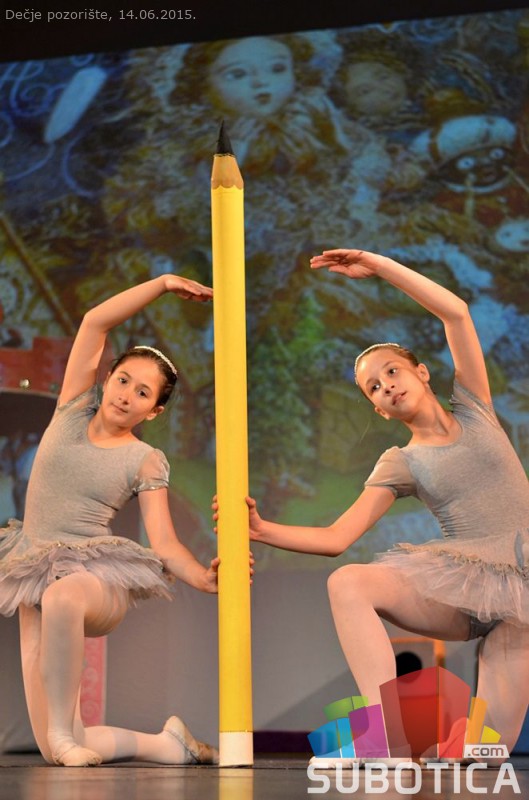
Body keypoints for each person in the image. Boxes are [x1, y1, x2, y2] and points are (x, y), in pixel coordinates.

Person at [235, 248, 529, 763]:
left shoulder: (475, 409)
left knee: (486, 751)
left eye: (392, 371)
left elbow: (456, 312)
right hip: (464, 590)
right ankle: (386, 733)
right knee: (349, 582)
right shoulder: (401, 461)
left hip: (521, 598)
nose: (386, 385)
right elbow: (336, 539)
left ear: (422, 372)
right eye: (374, 386)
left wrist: (379, 266)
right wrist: (262, 529)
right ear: (378, 409)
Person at [0, 273, 223, 768]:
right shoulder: (71, 410)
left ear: (155, 410)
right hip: (33, 570)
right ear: (106, 379)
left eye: (143, 392)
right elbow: (95, 321)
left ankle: (64, 736)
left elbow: (164, 542)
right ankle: (167, 745)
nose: (126, 395)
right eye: (123, 380)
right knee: (55, 747)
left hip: (94, 579)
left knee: (63, 597)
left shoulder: (144, 459)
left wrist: (202, 577)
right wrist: (162, 283)